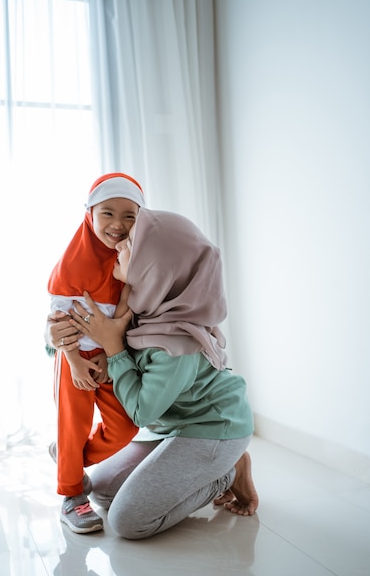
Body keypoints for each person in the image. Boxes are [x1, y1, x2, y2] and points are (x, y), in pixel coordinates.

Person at [62, 207, 259, 540]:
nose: (119, 245)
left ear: (157, 270)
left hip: (213, 428)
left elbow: (140, 412)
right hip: (173, 426)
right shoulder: (145, 311)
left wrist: (113, 348)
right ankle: (208, 466)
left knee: (129, 522)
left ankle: (228, 470)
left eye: (131, 245)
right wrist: (63, 346)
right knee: (101, 492)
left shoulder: (176, 343)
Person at [46, 172, 144, 533]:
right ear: (89, 214)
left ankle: (67, 461)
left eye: (129, 216)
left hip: (109, 356)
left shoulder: (131, 260)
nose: (117, 224)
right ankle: (72, 494)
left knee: (124, 426)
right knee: (73, 426)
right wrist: (74, 362)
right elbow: (58, 319)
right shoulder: (74, 261)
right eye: (107, 213)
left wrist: (107, 353)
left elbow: (123, 311)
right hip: (73, 355)